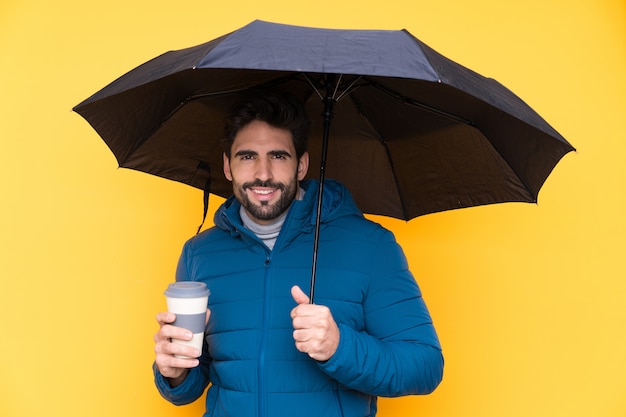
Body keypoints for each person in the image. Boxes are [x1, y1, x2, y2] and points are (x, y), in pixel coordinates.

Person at [153, 92, 444, 417]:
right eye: (247, 157)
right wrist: (174, 372)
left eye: (278, 156)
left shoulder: (370, 245)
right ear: (227, 166)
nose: (263, 173)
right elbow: (195, 380)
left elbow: (425, 365)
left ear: (301, 164)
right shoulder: (199, 253)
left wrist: (340, 346)